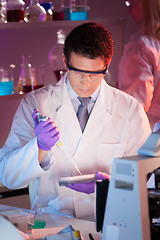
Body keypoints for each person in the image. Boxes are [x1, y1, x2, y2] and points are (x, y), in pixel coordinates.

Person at [0, 22, 151, 221]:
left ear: (107, 64)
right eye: (78, 73)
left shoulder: (130, 110)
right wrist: (39, 148)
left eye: (95, 74)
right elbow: (8, 177)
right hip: (51, 225)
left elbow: (148, 182)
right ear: (65, 60)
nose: (85, 83)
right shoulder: (35, 103)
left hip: (108, 223)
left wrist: (109, 185)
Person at [118, 0, 160, 130]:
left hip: (151, 136)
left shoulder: (140, 47)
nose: (129, 11)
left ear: (146, 6)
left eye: (132, 4)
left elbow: (136, 105)